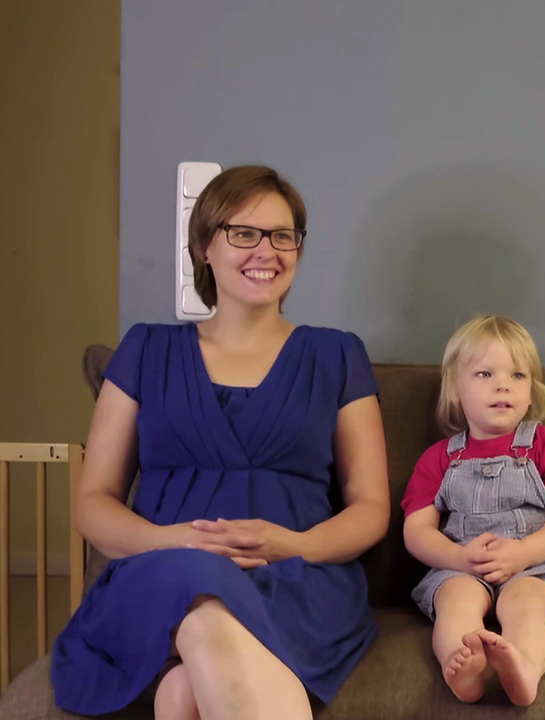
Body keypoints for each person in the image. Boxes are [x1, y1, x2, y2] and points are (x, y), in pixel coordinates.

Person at [52, 165, 390, 720]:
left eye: (283, 236)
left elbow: (371, 506)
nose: (267, 250)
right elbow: (93, 502)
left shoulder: (337, 354)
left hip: (298, 579)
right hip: (161, 568)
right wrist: (173, 542)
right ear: (205, 245)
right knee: (203, 596)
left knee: (181, 694)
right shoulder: (146, 349)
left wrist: (292, 545)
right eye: (244, 233)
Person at [402, 315, 545, 707]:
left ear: (531, 389)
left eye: (517, 375)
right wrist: (458, 558)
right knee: (455, 600)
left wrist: (525, 553)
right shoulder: (440, 458)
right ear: (455, 389)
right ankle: (461, 665)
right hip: (463, 565)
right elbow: (416, 530)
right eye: (485, 374)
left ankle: (525, 667)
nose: (503, 385)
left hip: (536, 566)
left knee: (524, 602)